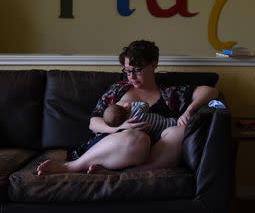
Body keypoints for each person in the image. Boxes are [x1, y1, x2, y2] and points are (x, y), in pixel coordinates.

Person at [36, 39, 219, 175]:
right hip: (121, 143)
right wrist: (119, 127)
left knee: (180, 132)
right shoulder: (118, 90)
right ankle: (71, 167)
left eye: (137, 70)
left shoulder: (170, 93)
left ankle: (126, 173)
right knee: (139, 139)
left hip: (154, 150)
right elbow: (93, 122)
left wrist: (189, 110)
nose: (131, 76)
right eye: (128, 71)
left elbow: (210, 92)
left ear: (154, 64)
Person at [103, 102, 177, 145]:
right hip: (168, 122)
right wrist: (132, 104)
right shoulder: (136, 109)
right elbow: (145, 105)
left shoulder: (129, 128)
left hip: (158, 135)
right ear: (125, 108)